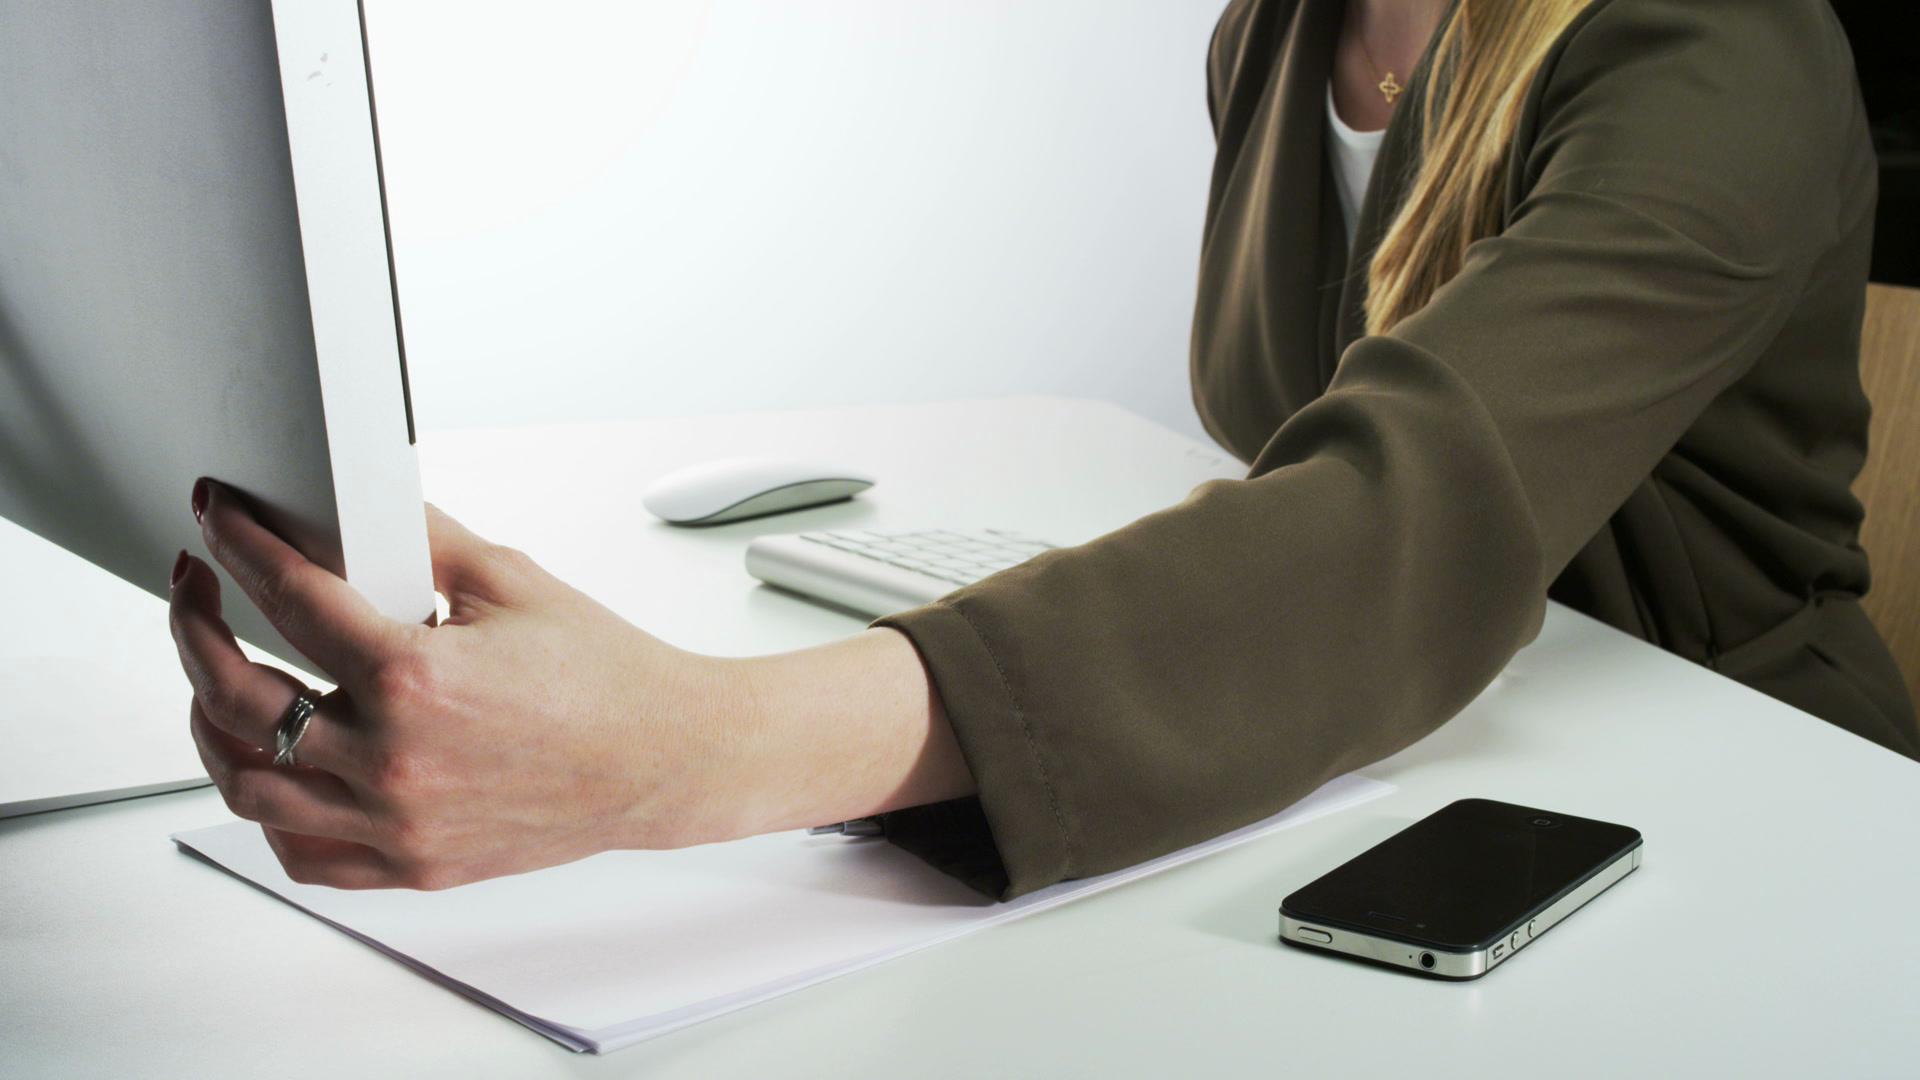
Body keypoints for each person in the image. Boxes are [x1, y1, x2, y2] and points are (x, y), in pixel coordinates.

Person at [168, 0, 1917, 899]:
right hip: (1442, 759)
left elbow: (1404, 515)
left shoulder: (1724, 51)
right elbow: (1308, 475)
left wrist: (686, 752)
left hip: (1744, 807)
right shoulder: (1289, 31)